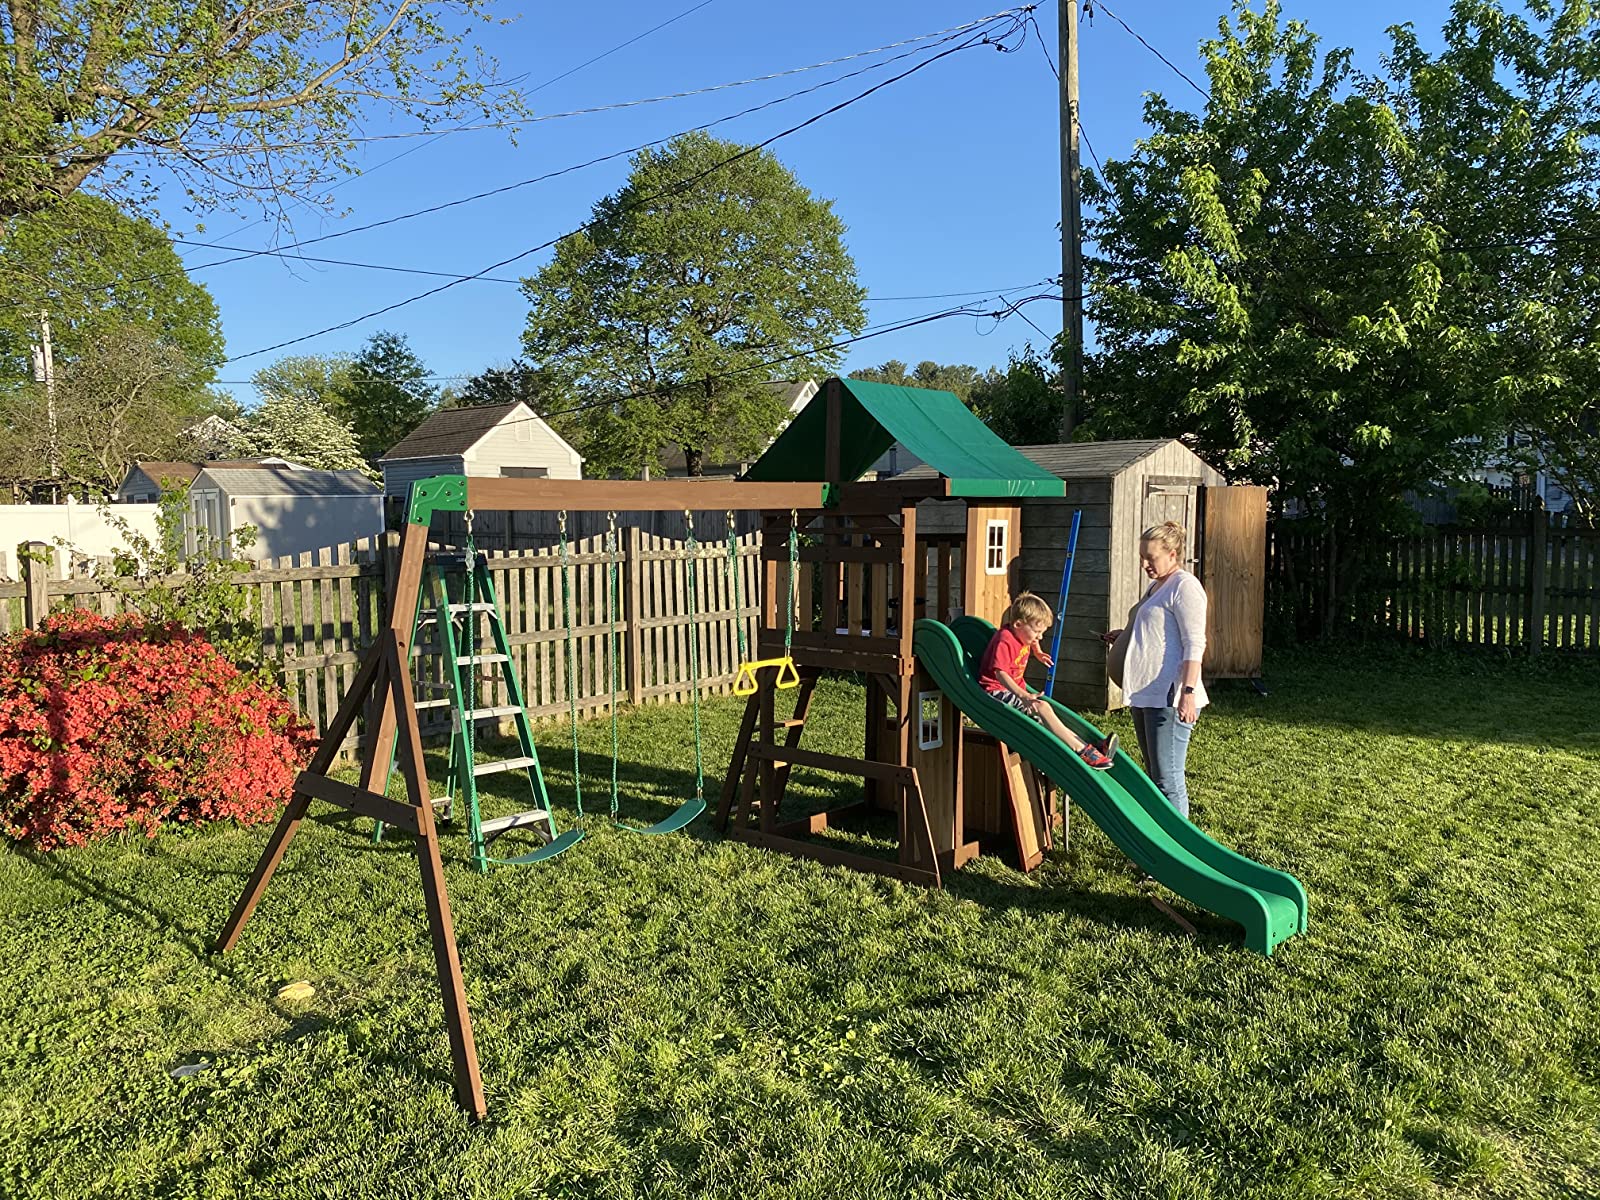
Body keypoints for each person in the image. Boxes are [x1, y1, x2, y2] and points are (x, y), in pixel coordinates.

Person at [1101, 521, 1207, 817]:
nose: (1145, 564)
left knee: (1168, 780)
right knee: (1154, 776)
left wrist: (1187, 692)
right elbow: (1158, 634)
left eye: (1151, 558)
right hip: (1146, 694)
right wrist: (1125, 636)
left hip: (1169, 696)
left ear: (1172, 554)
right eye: (1142, 558)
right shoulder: (1156, 586)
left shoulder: (1186, 587)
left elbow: (1194, 644)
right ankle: (1160, 846)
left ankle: (1178, 850)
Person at [980, 592, 1117, 770]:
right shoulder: (1005, 640)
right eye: (1037, 632)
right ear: (1018, 624)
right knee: (1042, 709)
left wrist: (1037, 652)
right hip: (995, 691)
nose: (1040, 637)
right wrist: (1022, 695)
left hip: (1014, 690)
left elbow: (1031, 642)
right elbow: (1000, 673)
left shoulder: (1021, 633)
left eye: (1042, 632)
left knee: (1049, 714)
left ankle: (1091, 747)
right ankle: (1081, 750)